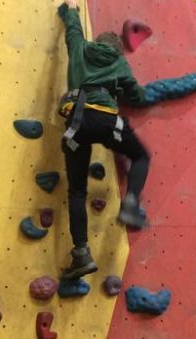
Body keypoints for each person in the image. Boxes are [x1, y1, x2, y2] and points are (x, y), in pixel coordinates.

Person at [57, 0, 151, 280]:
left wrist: (71, 9)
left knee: (77, 192)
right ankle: (130, 205)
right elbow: (137, 96)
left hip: (77, 124)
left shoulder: (80, 47)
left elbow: (73, 28)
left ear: (97, 42)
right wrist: (123, 90)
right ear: (117, 50)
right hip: (108, 122)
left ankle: (82, 253)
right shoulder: (120, 62)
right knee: (141, 156)